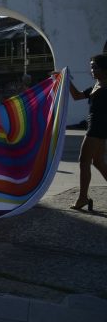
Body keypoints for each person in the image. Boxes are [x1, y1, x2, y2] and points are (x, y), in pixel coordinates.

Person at [67, 53, 107, 211]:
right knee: (98, 162)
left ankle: (82, 197)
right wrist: (66, 79)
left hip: (97, 127)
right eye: (91, 67)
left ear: (104, 69)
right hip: (96, 126)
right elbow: (76, 96)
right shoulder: (96, 86)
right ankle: (83, 197)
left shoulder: (105, 88)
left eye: (95, 67)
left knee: (84, 161)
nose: (92, 70)